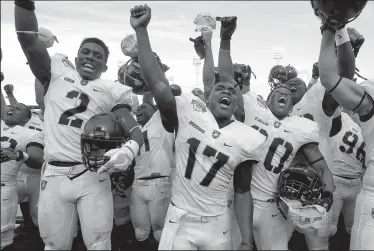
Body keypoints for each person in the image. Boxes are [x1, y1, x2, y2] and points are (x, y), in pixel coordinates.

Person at [130, 5, 266, 250]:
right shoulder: (187, 111)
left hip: (218, 224)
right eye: (218, 88)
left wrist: (246, 241)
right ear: (208, 96)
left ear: (237, 102)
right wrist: (141, 32)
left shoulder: (246, 136)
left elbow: (243, 191)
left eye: (231, 91)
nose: (225, 90)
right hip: (180, 219)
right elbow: (155, 83)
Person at [14, 1, 143, 250]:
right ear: (75, 57)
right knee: (53, 244)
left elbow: (131, 125)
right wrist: (24, 6)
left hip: (92, 174)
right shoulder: (55, 74)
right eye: (86, 52)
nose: (90, 57)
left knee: (99, 243)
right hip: (53, 173)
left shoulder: (110, 89)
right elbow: (28, 40)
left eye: (98, 55)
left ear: (105, 66)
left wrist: (131, 148)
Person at [318, 23, 374, 250]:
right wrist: (335, 30)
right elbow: (333, 78)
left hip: (357, 182)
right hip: (344, 183)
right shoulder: (344, 113)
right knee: (328, 230)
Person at [1, 90, 43, 251]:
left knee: (39, 218)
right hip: (17, 177)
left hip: (33, 178)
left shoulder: (34, 131)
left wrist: (21, 155)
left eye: (17, 109)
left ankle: (36, 242)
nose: (11, 108)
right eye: (11, 107)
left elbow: (37, 159)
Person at [131, 102, 174, 249]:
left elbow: (159, 96)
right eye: (138, 108)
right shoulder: (136, 130)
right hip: (137, 184)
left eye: (144, 107)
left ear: (155, 110)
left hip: (159, 182)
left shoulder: (160, 122)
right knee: (140, 233)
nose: (138, 109)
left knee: (160, 232)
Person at [329, 112, 365, 238]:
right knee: (329, 228)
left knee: (353, 227)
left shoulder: (368, 129)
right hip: (335, 181)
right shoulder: (342, 118)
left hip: (356, 185)